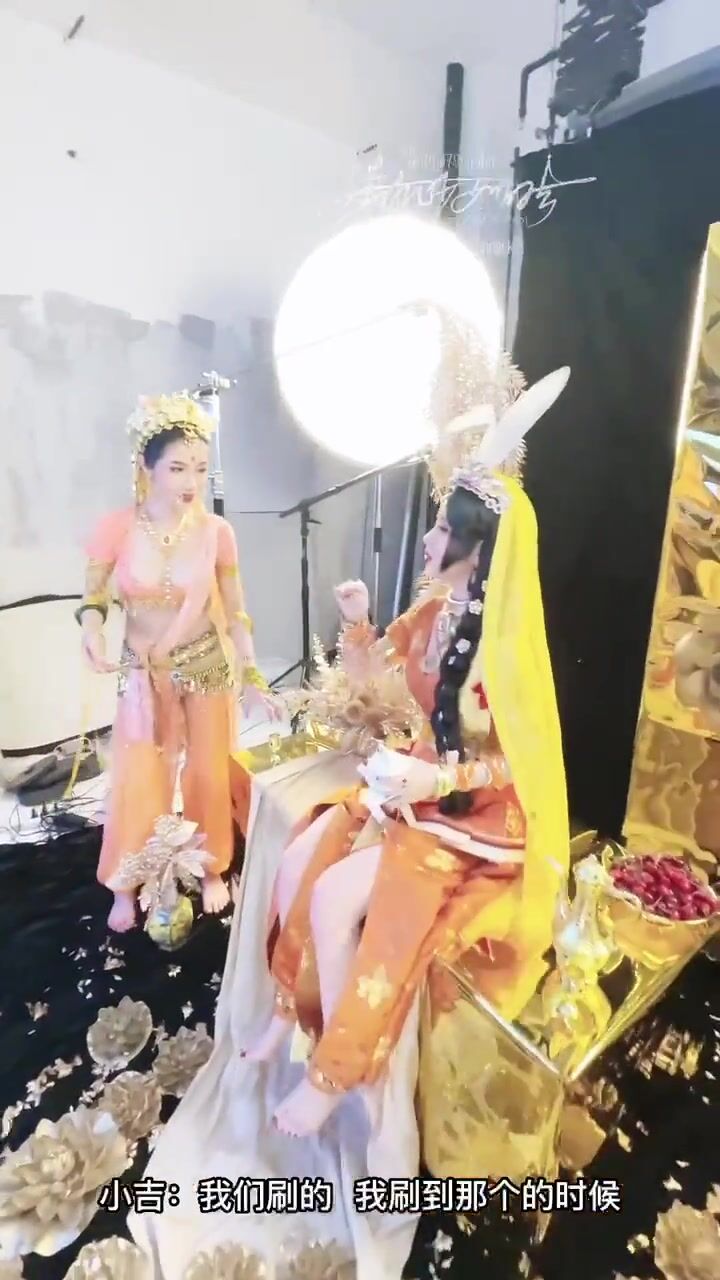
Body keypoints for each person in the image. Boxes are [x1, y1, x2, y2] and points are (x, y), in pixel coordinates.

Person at [131, 359, 571, 1280]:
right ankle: (289, 1017)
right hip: (416, 795)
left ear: (480, 551)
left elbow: (512, 770)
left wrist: (433, 772)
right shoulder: (437, 612)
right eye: (436, 522)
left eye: (444, 529)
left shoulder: (498, 646)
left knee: (348, 901)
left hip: (477, 824)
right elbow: (377, 677)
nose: (430, 538)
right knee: (305, 853)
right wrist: (364, 623)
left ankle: (342, 1076)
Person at [77, 392, 278, 932]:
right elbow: (93, 597)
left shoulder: (216, 533)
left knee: (209, 770)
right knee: (140, 772)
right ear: (146, 466)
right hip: (144, 671)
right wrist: (91, 632)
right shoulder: (116, 528)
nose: (192, 481)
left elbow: (235, 610)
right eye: (178, 468)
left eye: (201, 468)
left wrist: (252, 673)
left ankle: (212, 866)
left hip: (205, 664)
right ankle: (127, 878)